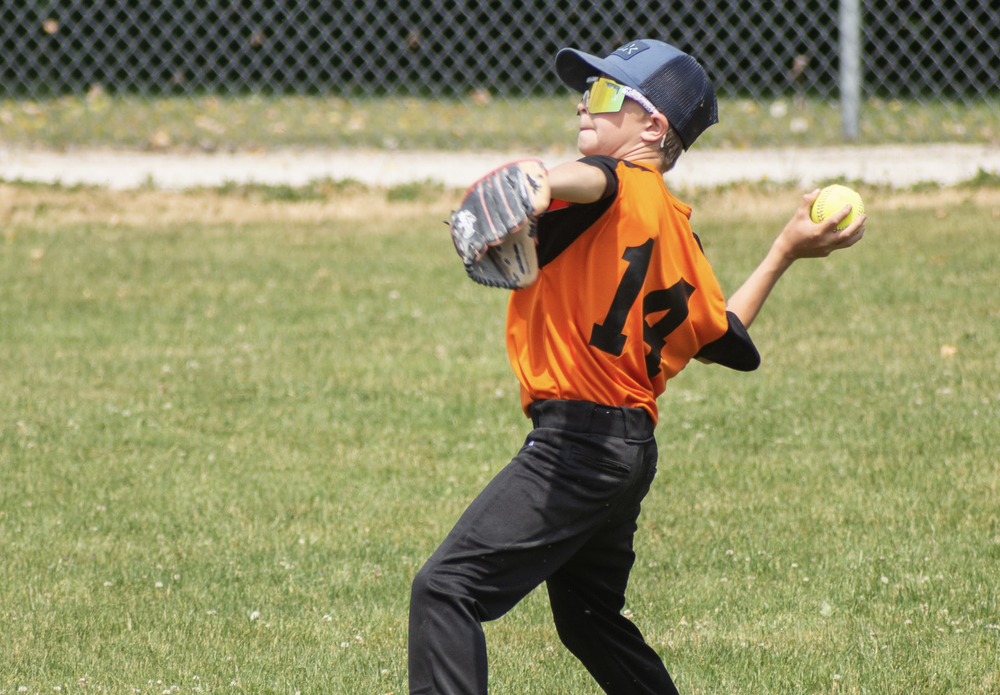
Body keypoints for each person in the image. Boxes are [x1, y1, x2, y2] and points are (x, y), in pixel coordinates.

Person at [408, 38, 866, 695]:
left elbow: (589, 179)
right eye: (585, 91)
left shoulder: (608, 182)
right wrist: (784, 249)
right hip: (626, 451)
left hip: (575, 446)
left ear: (653, 125)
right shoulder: (675, 229)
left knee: (447, 588)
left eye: (603, 93)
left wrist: (539, 179)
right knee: (590, 620)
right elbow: (722, 332)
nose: (582, 103)